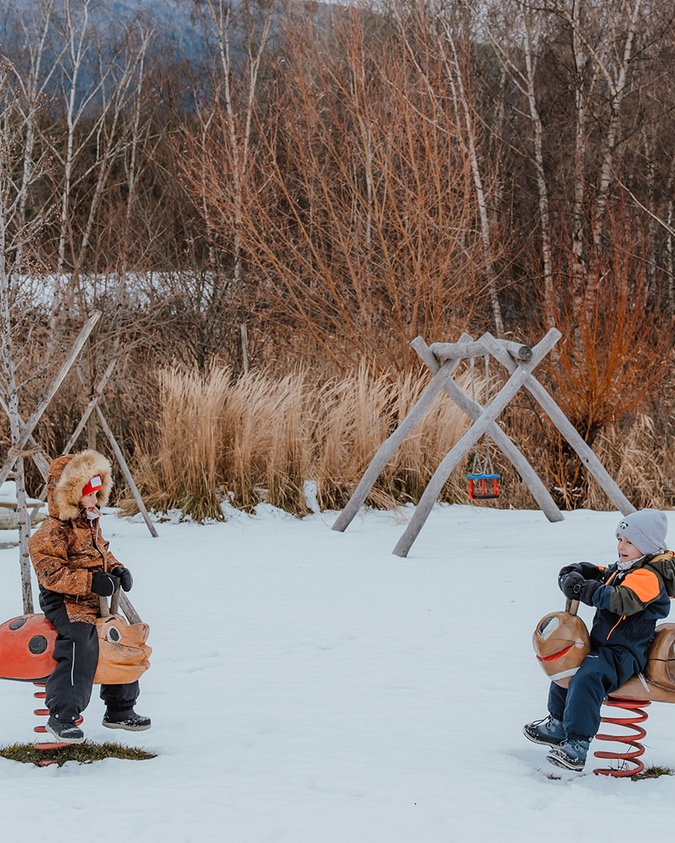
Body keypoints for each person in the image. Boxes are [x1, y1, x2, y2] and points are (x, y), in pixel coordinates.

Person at [524, 508, 674, 771]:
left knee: (588, 675)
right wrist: (581, 572)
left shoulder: (648, 577)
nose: (621, 546)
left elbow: (620, 600)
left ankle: (578, 743)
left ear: (648, 546)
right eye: (619, 539)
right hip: (604, 647)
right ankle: (558, 723)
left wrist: (586, 590)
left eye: (629, 542)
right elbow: (606, 575)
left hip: (624, 653)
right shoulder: (627, 568)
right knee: (567, 665)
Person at [28, 449, 151, 744]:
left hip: (94, 598)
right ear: (70, 495)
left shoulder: (90, 522)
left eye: (97, 494)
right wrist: (91, 582)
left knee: (119, 637)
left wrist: (118, 570)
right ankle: (62, 716)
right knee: (80, 642)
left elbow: (102, 554)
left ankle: (120, 707)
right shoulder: (50, 533)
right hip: (63, 600)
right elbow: (52, 574)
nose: (95, 502)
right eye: (89, 495)